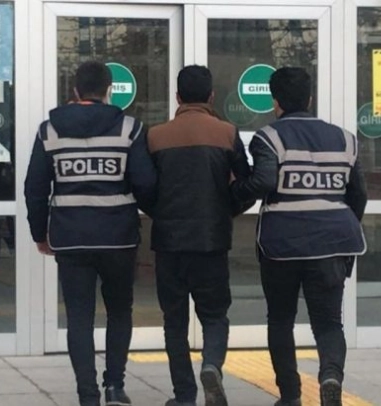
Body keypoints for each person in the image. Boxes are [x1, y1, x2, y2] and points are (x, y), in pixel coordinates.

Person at [230, 67, 367, 406]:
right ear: (309, 99)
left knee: (280, 319)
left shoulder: (269, 137)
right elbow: (359, 194)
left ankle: (290, 395)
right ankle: (331, 376)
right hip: (333, 243)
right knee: (329, 322)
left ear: (275, 102)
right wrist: (342, 225)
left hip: (282, 244)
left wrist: (234, 192)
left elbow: (263, 181)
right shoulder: (345, 139)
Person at [24, 61, 157, 406]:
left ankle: (87, 395)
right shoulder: (129, 128)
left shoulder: (49, 132)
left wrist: (40, 234)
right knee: (119, 312)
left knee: (79, 318)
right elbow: (145, 183)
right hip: (119, 238)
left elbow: (35, 188)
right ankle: (115, 387)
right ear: (109, 90)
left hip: (70, 239)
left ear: (75, 91)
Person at [147, 65, 252, 406]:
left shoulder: (156, 136)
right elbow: (246, 184)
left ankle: (184, 395)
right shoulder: (227, 132)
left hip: (169, 242)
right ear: (211, 96)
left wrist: (159, 213)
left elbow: (145, 187)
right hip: (211, 240)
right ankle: (211, 365)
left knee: (174, 321)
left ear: (177, 97)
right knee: (215, 315)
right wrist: (227, 210)